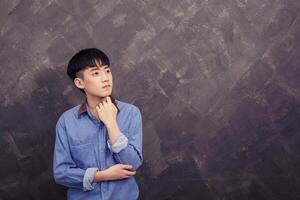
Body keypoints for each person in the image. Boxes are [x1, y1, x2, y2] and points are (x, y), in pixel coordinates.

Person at [53, 48, 143, 200]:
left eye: (107, 71)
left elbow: (132, 164)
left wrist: (111, 124)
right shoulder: (67, 121)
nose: (106, 78)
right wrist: (102, 176)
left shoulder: (131, 113)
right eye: (96, 73)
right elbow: (61, 173)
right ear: (80, 82)